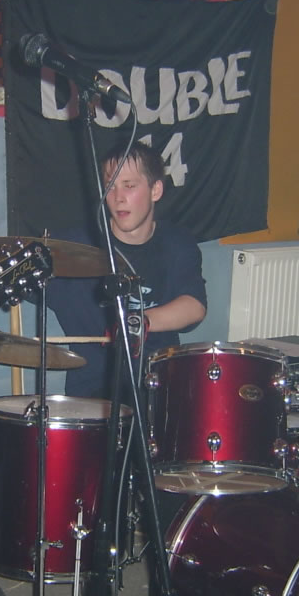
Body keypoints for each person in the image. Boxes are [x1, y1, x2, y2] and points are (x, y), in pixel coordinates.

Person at [45, 142, 207, 404]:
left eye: (129, 186)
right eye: (110, 186)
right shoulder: (72, 247)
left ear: (156, 190)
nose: (118, 197)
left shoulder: (177, 242)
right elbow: (14, 279)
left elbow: (194, 306)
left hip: (160, 387)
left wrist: (137, 322)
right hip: (94, 398)